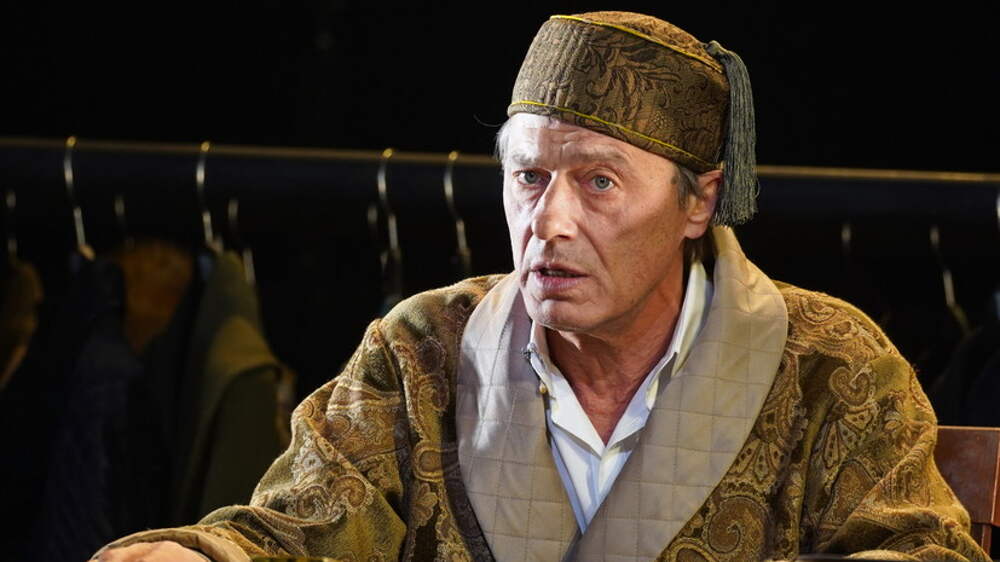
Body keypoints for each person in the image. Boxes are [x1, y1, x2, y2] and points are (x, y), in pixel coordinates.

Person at [95, 11, 988, 562]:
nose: (549, 221)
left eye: (598, 181)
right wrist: (198, 555)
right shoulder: (421, 350)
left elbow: (922, 550)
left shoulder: (830, 363)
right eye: (528, 177)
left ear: (700, 200)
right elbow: (300, 528)